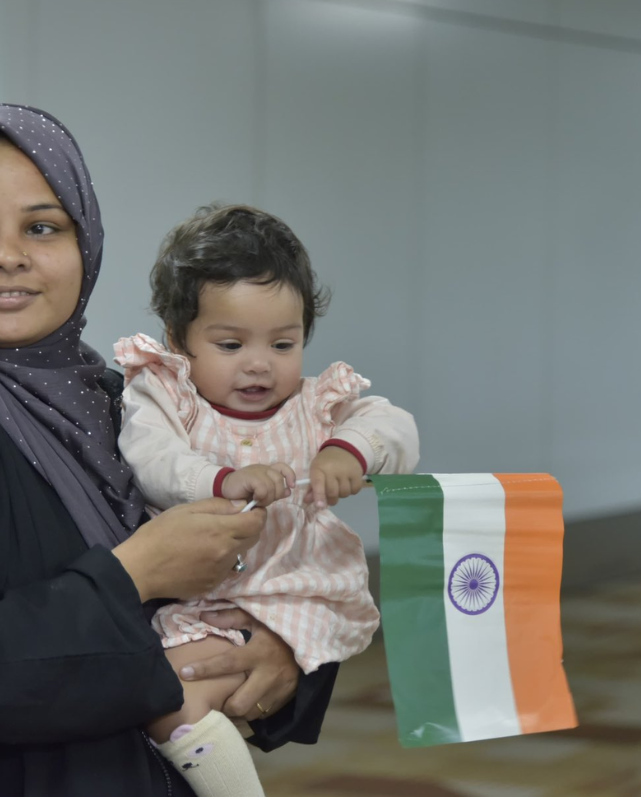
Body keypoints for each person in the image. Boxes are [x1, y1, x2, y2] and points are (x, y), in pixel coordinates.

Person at [0, 105, 338, 797]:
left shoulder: (128, 405)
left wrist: (285, 654)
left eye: (42, 227)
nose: (7, 255)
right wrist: (132, 575)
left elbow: (285, 566)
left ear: (86, 243)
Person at [114, 205, 421, 796]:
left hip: (298, 590)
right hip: (204, 598)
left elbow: (395, 426)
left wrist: (348, 451)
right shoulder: (168, 400)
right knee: (172, 700)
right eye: (230, 344)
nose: (259, 364)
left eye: (284, 343)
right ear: (179, 340)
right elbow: (151, 459)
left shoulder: (315, 404)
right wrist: (219, 479)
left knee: (173, 696)